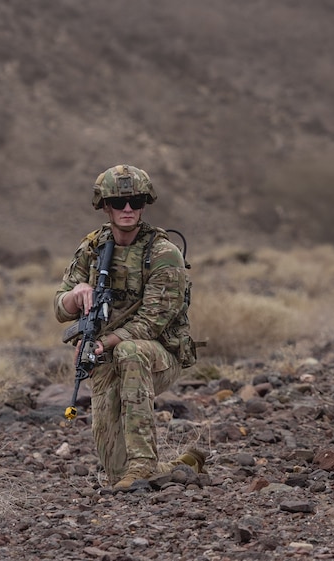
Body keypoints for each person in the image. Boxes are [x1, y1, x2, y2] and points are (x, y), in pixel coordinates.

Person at [54, 164, 205, 491]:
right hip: (105, 354)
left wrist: (103, 343)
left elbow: (153, 321)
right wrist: (75, 296)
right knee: (116, 475)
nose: (127, 209)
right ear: (105, 206)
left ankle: (142, 464)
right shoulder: (93, 249)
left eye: (135, 202)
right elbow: (59, 308)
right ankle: (178, 467)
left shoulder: (163, 253)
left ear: (144, 204)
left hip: (159, 355)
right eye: (119, 202)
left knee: (129, 351)